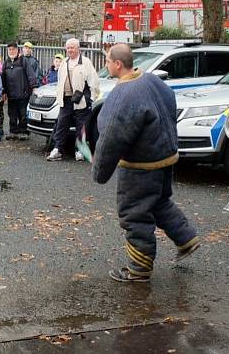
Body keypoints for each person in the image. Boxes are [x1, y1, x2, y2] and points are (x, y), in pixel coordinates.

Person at [91, 44, 200, 282]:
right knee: (159, 202)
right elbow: (170, 104)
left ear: (118, 64)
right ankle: (186, 238)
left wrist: (99, 171)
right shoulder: (153, 81)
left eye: (108, 61)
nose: (106, 65)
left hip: (140, 167)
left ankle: (139, 269)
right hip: (164, 158)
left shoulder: (123, 95)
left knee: (135, 213)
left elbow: (111, 137)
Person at [47, 38, 101, 162]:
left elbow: (94, 82)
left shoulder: (85, 62)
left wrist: (90, 99)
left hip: (81, 100)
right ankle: (57, 149)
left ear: (78, 49)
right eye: (68, 48)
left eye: (72, 47)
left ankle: (80, 151)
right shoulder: (64, 62)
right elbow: (60, 80)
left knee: (81, 126)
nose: (70, 50)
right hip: (65, 99)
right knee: (61, 125)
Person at [2, 42, 39, 141]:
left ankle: (23, 131)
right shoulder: (6, 63)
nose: (11, 51)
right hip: (11, 94)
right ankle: (13, 131)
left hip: (23, 93)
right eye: (9, 49)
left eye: (13, 49)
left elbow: (30, 74)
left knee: (23, 114)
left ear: (17, 50)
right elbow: (3, 79)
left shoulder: (23, 60)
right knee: (12, 113)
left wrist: (34, 86)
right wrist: (4, 92)